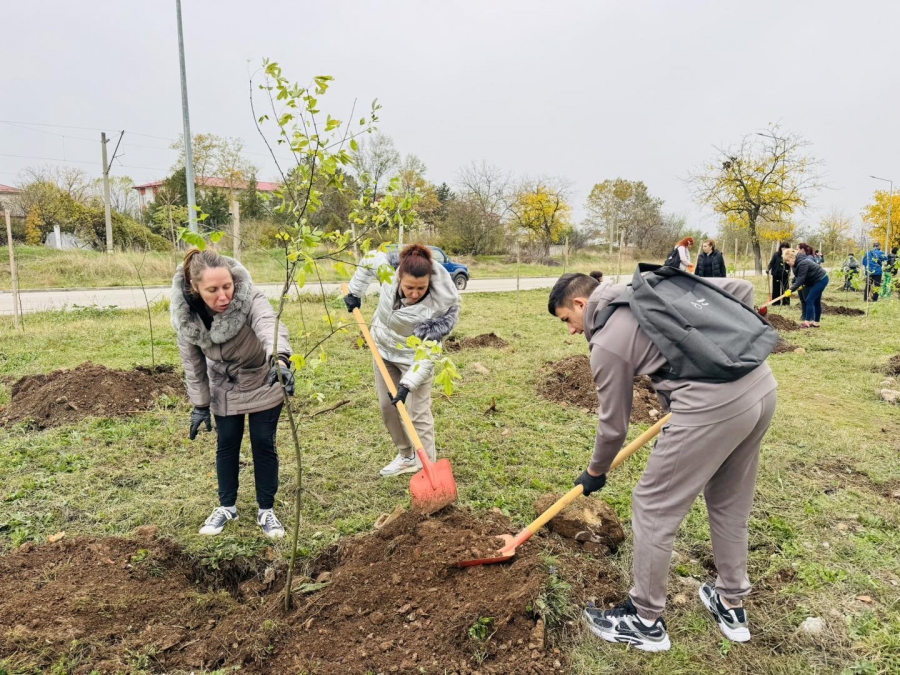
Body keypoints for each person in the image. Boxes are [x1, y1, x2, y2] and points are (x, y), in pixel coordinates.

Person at [547, 272, 776, 652]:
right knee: (729, 502)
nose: (570, 331)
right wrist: (721, 348)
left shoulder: (606, 342)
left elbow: (613, 425)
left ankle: (644, 620)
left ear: (581, 305)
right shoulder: (649, 287)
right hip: (761, 387)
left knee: (653, 507)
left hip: (711, 408)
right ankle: (731, 602)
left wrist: (595, 472)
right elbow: (740, 289)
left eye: (566, 321)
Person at [171, 248, 294, 539]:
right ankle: (227, 507)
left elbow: (268, 324)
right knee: (227, 443)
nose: (223, 296)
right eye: (212, 290)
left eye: (227, 286)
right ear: (195, 288)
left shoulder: (249, 297)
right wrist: (200, 405)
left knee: (263, 442)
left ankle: (266, 510)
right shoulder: (187, 317)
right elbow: (193, 364)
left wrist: (280, 360)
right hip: (224, 385)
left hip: (264, 376)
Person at [344, 243, 460, 477]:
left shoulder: (439, 307)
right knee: (388, 407)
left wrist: (408, 384)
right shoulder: (388, 273)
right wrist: (355, 293)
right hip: (383, 349)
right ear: (399, 277)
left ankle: (428, 468)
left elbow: (429, 353)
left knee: (418, 413)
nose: (415, 293)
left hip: (414, 358)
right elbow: (369, 259)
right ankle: (406, 455)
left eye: (421, 288)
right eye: (409, 287)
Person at [784, 247, 828, 328]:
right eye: (786, 261)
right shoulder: (795, 264)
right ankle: (816, 323)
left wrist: (791, 289)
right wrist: (794, 284)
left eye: (788, 260)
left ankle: (806, 322)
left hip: (821, 279)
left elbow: (801, 279)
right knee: (816, 301)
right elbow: (798, 276)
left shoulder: (803, 263)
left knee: (809, 300)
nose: (787, 262)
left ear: (792, 257)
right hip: (813, 281)